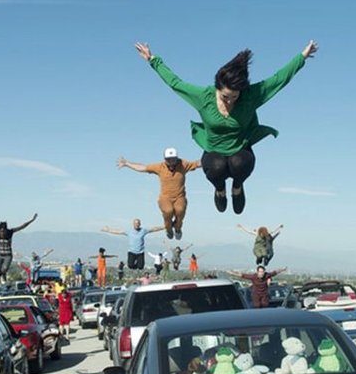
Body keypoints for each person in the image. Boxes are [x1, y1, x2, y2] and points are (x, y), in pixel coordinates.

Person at [135, 40, 318, 214]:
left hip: (240, 149)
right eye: (225, 97)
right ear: (217, 88)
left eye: (234, 97)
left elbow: (279, 79)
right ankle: (220, 189)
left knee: (238, 163)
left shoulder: (250, 96)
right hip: (213, 151)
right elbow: (175, 83)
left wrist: (302, 57)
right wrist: (153, 60)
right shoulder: (203, 97)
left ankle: (237, 187)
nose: (230, 101)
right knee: (217, 166)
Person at [117, 148, 201, 239]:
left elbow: (197, 163)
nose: (171, 162)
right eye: (168, 160)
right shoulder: (159, 167)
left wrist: (211, 158)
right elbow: (143, 167)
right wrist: (127, 163)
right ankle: (168, 229)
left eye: (173, 159)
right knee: (168, 211)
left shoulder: (183, 164)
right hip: (165, 198)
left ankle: (177, 228)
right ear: (165, 159)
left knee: (180, 210)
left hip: (180, 197)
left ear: (177, 158)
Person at [0, 213, 38, 284]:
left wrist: (32, 220)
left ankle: (3, 275)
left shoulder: (10, 232)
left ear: (6, 230)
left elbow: (22, 226)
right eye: (1, 231)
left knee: (4, 268)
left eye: (3, 231)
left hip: (8, 255)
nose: (2, 233)